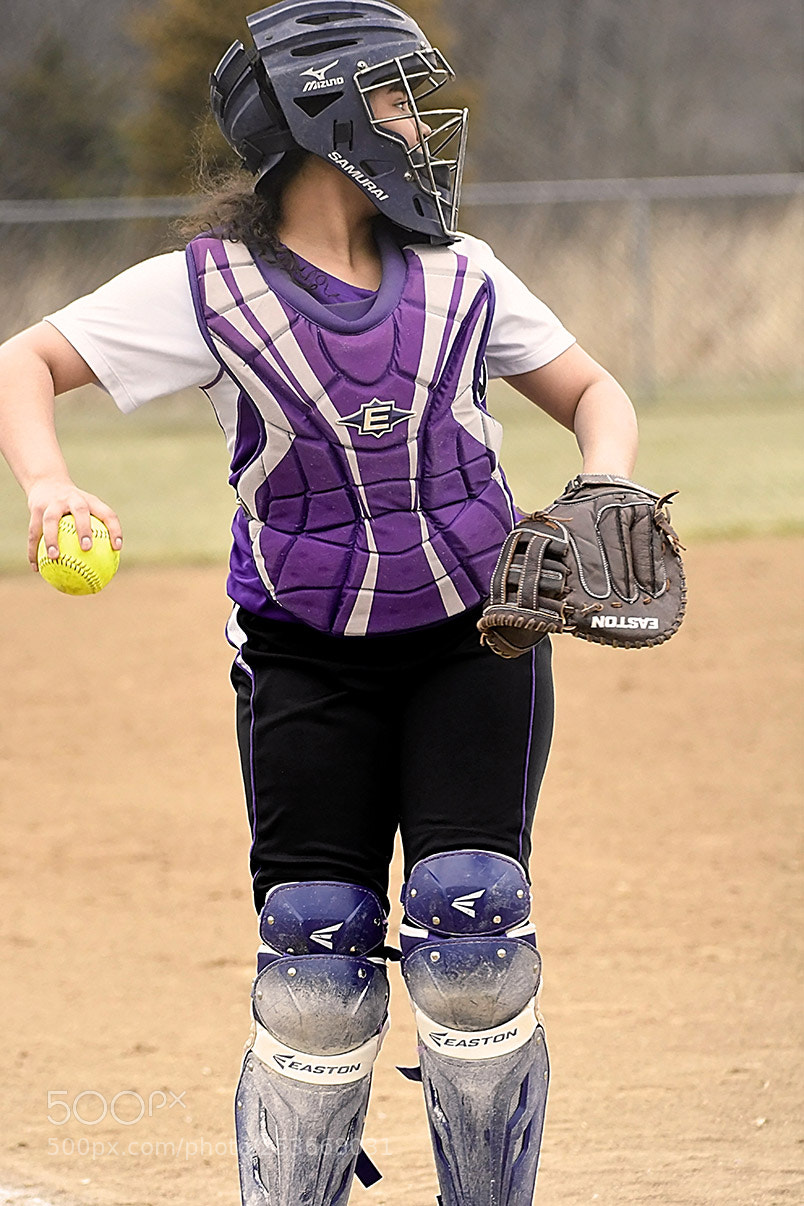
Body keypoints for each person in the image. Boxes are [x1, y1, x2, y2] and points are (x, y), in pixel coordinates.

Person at [0, 2, 639, 1203]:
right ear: (324, 117)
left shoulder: (464, 277)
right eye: (396, 99)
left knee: (473, 926)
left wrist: (599, 480)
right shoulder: (208, 291)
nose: (419, 124)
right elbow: (22, 361)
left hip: (475, 641)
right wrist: (47, 482)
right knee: (316, 959)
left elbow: (594, 391)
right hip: (305, 656)